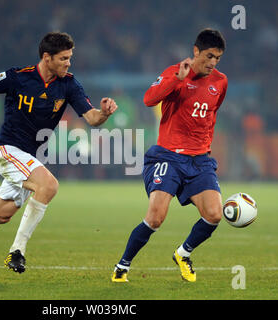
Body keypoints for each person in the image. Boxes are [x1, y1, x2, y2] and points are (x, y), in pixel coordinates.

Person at [0, 32, 118, 278]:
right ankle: (17, 250)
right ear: (47, 58)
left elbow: (92, 118)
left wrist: (105, 113)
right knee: (48, 186)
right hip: (8, 150)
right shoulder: (18, 77)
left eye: (70, 58)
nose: (68, 63)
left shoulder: (69, 84)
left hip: (29, 158)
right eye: (63, 58)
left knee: (0, 214)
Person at [111, 29, 228, 282]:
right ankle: (123, 266)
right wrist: (177, 79)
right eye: (209, 56)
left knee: (214, 214)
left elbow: (211, 114)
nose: (212, 63)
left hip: (200, 160)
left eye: (217, 58)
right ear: (195, 51)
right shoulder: (175, 72)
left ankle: (183, 253)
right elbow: (148, 99)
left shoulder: (220, 82)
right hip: (168, 157)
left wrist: (203, 147)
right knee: (155, 217)